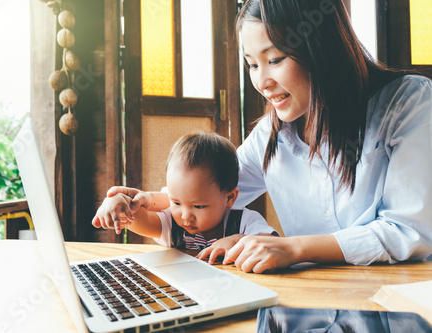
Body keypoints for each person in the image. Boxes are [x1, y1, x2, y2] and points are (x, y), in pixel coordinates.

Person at [94, 0, 432, 273]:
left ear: (321, 49)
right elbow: (213, 190)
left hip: (398, 301)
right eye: (252, 65)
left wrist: (291, 248)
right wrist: (144, 200)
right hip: (312, 301)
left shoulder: (408, 103)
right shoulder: (271, 135)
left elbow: (409, 232)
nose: (262, 82)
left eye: (275, 59)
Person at [92, 132, 276, 263]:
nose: (186, 216)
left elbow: (275, 244)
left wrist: (236, 240)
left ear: (230, 198)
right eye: (176, 202)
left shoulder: (243, 221)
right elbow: (141, 220)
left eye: (199, 206)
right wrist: (118, 203)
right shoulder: (173, 224)